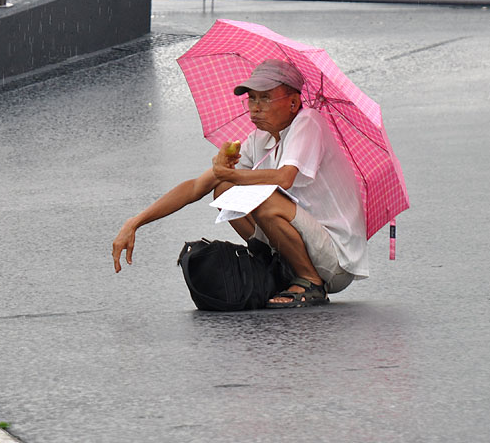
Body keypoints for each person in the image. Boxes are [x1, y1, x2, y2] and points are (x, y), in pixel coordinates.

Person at [111, 59, 368, 308]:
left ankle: (311, 282)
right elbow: (195, 188)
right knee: (223, 190)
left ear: (293, 103)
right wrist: (135, 222)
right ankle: (273, 264)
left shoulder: (308, 121)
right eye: (252, 98)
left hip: (335, 261)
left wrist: (232, 174)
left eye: (266, 98)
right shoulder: (259, 139)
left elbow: (284, 178)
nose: (255, 107)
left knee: (263, 198)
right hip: (303, 245)